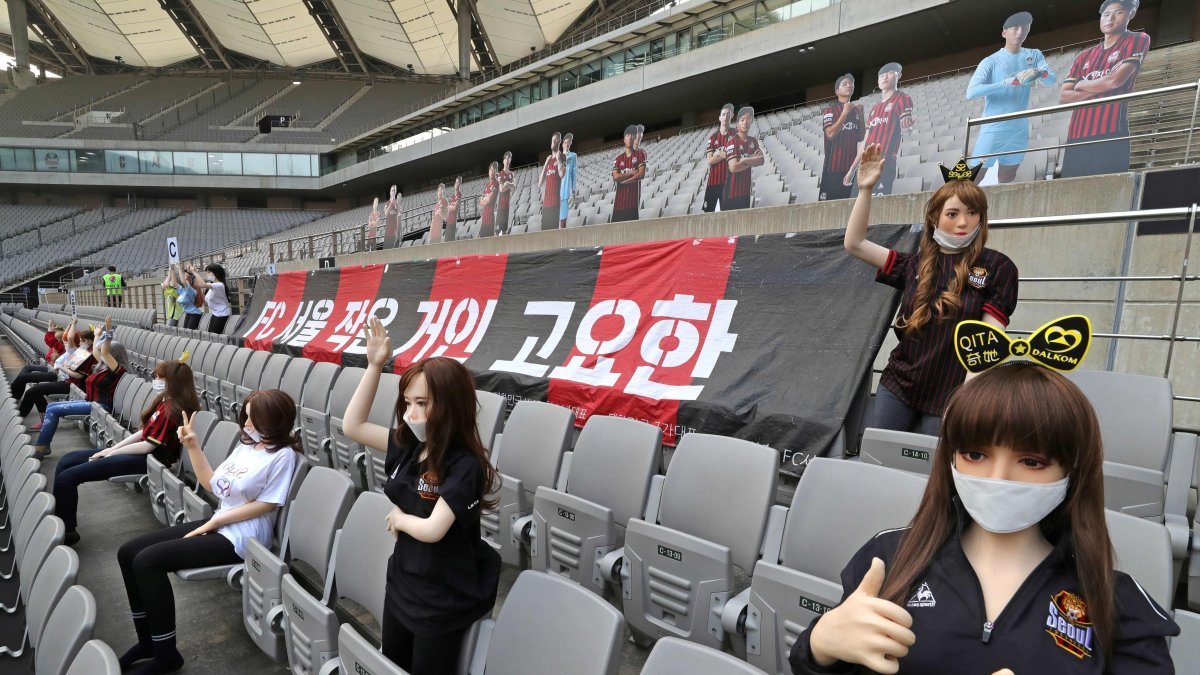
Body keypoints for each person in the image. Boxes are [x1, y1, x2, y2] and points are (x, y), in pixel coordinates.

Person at [788, 364, 1179, 674]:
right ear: (951, 458)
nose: (998, 480)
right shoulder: (888, 557)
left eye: (1032, 462)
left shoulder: (1120, 606)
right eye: (975, 455)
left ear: (1071, 470)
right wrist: (818, 648)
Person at [344, 318, 500, 675]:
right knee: (393, 664)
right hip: (403, 580)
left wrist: (399, 519)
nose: (411, 413)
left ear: (450, 406)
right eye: (407, 402)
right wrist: (373, 366)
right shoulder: (408, 446)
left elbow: (433, 529)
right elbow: (353, 425)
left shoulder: (465, 466)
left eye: (423, 404)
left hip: (441, 596)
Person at [116, 390, 300, 674]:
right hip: (221, 522)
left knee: (148, 561)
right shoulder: (247, 445)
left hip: (244, 536)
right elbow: (213, 484)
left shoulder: (283, 456)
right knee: (127, 552)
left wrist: (213, 523)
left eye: (254, 418)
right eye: (247, 416)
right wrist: (193, 446)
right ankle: (147, 642)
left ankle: (165, 654)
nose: (247, 424)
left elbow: (267, 505)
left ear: (275, 420)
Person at [844, 145, 1018, 434]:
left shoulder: (998, 267)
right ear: (935, 218)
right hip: (898, 387)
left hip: (952, 396)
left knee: (930, 474)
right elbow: (854, 244)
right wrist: (865, 190)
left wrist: (968, 399)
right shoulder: (914, 263)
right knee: (879, 461)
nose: (963, 222)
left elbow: (985, 346)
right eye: (953, 213)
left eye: (972, 212)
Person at [54, 357, 198, 546]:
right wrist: (112, 449)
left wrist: (111, 454)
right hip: (137, 453)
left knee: (67, 478)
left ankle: (67, 531)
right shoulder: (164, 402)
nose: (155, 380)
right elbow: (142, 433)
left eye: (161, 377)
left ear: (174, 382)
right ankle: (59, 517)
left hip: (148, 460)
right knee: (67, 459)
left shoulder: (173, 410)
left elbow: (148, 446)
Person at [1058, 1, 1149, 178]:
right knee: (1072, 191)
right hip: (1076, 137)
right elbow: (1064, 97)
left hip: (1112, 133)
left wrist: (1082, 84)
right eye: (1106, 14)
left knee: (1107, 191)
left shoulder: (1137, 39)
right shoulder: (1083, 56)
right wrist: (1103, 83)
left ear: (1131, 13)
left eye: (1118, 12)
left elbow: (1116, 81)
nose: (1110, 18)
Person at [966, 12, 1056, 184]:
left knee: (1007, 175)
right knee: (974, 177)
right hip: (994, 126)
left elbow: (1051, 80)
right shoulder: (990, 61)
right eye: (1015, 28)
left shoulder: (1034, 55)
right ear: (1004, 33)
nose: (1020, 32)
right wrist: (1008, 82)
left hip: (1019, 127)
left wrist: (1039, 73)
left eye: (1025, 28)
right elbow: (972, 92)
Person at [34, 315, 128, 458]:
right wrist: (97, 335)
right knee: (50, 407)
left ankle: (41, 447)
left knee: (54, 411)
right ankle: (43, 445)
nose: (101, 355)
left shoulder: (118, 370)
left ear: (113, 355)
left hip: (102, 405)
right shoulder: (102, 366)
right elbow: (98, 351)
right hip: (92, 402)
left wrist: (108, 330)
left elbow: (104, 352)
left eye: (106, 353)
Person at [846, 62, 916, 196]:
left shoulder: (902, 99)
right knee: (855, 208)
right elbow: (864, 142)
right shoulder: (874, 108)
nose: (885, 77)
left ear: (899, 75)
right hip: (864, 165)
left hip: (884, 163)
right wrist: (852, 169)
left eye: (890, 73)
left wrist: (906, 129)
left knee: (875, 209)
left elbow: (906, 132)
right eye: (881, 75)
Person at [20, 322, 95, 420]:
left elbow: (78, 376)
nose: (80, 343)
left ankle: (23, 416)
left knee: (33, 391)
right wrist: (72, 324)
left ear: (90, 342)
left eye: (82, 341)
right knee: (34, 390)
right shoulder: (80, 351)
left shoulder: (88, 355)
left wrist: (61, 367)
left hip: (74, 385)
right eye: (80, 340)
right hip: (68, 382)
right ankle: (41, 418)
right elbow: (68, 338)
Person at [820, 75, 865, 201]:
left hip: (850, 171)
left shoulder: (856, 111)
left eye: (851, 83)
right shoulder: (830, 110)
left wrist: (861, 116)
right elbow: (830, 135)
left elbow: (861, 137)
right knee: (828, 209)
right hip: (832, 170)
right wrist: (844, 113)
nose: (849, 85)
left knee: (849, 208)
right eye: (844, 84)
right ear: (837, 91)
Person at [10, 319, 65, 399]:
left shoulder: (61, 347)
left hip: (53, 372)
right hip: (50, 368)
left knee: (27, 375)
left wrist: (50, 328)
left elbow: (49, 340)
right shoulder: (57, 346)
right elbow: (49, 339)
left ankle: (15, 392)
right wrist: (50, 327)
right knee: (26, 369)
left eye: (56, 337)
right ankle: (15, 390)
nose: (54, 337)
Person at [725, 106, 765, 210]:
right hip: (731, 193)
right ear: (737, 123)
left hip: (745, 192)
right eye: (742, 119)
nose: (745, 122)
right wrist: (752, 161)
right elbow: (733, 168)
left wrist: (745, 160)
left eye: (748, 119)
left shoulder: (753, 141)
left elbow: (761, 160)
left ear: (751, 121)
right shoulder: (732, 142)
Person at [703, 104, 736, 212]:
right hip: (712, 182)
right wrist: (724, 154)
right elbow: (710, 160)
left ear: (732, 116)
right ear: (719, 117)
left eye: (728, 114)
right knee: (708, 214)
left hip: (729, 182)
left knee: (728, 214)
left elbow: (734, 158)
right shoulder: (712, 137)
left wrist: (718, 153)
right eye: (723, 114)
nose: (725, 116)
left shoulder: (736, 135)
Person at [611, 125, 646, 223]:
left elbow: (641, 174)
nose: (630, 137)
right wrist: (631, 173)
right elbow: (615, 177)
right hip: (618, 204)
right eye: (627, 135)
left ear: (634, 137)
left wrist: (624, 181)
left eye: (632, 135)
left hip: (632, 203)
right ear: (624, 139)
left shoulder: (640, 154)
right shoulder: (618, 159)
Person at [189, 263, 231, 335]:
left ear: (216, 273)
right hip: (215, 313)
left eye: (209, 272)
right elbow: (197, 284)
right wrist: (193, 274)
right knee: (209, 335)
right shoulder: (212, 285)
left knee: (214, 336)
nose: (207, 274)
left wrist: (195, 272)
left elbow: (202, 284)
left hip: (222, 314)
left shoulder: (219, 285)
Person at [539, 132, 563, 229]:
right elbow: (540, 183)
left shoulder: (562, 157)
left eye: (556, 139)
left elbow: (562, 174)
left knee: (553, 234)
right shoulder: (548, 160)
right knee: (544, 234)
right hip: (546, 204)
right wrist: (545, 164)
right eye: (552, 139)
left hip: (555, 203)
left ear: (559, 142)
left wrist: (559, 159)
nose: (553, 141)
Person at [559, 133, 578, 227]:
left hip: (565, 191)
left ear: (570, 144)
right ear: (562, 144)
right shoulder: (557, 156)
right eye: (565, 142)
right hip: (556, 192)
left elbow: (573, 175)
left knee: (563, 220)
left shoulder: (573, 156)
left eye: (568, 143)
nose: (566, 144)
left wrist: (574, 192)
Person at [176, 265, 203, 330]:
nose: (185, 278)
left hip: (195, 314)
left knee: (189, 333)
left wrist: (180, 268)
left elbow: (183, 281)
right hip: (188, 313)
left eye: (186, 276)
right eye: (184, 276)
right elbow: (174, 283)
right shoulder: (183, 290)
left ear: (191, 279)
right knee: (185, 332)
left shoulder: (191, 290)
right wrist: (172, 270)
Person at [496, 151, 515, 235]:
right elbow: (501, 189)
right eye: (506, 159)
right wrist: (508, 185)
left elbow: (514, 187)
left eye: (509, 158)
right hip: (500, 205)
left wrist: (507, 184)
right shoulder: (500, 174)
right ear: (503, 161)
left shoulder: (511, 174)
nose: (507, 160)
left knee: (504, 230)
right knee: (497, 231)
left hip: (507, 206)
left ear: (510, 160)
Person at [479, 162, 499, 238]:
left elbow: (489, 200)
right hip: (484, 218)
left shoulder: (496, 183)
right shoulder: (487, 185)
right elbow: (481, 202)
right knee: (481, 241)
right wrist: (485, 198)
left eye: (494, 170)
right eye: (490, 170)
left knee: (489, 243)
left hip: (490, 218)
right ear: (488, 171)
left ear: (496, 171)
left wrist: (485, 198)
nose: (492, 172)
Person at [446, 176, 462, 242]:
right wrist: (451, 206)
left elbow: (455, 208)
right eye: (455, 182)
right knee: (446, 239)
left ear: (460, 184)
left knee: (451, 239)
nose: (456, 184)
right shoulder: (452, 196)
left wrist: (451, 207)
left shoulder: (459, 195)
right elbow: (448, 208)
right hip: (448, 220)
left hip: (453, 220)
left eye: (458, 183)